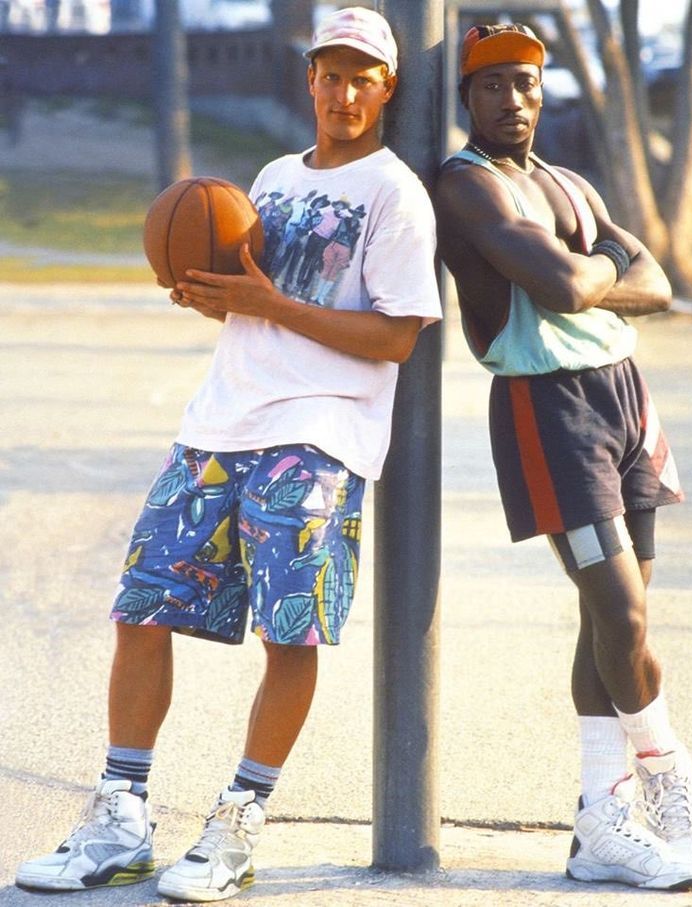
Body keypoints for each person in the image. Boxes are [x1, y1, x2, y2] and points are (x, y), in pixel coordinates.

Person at [16, 7, 441, 902]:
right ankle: (121, 816)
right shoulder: (274, 175)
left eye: (363, 76)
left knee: (288, 633)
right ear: (310, 78)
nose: (344, 90)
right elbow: (251, 302)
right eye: (331, 73)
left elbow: (397, 335)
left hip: (317, 437)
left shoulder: (397, 194)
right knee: (141, 605)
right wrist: (206, 294)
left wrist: (269, 304)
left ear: (386, 88)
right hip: (218, 424)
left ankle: (237, 824)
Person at [435, 23, 692, 891]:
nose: (512, 99)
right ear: (466, 98)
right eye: (492, 86)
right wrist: (598, 268)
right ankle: (667, 779)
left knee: (612, 622)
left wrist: (590, 271)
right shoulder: (466, 186)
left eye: (524, 82)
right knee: (622, 616)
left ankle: (598, 821)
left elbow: (659, 282)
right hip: (545, 404)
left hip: (625, 396)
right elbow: (563, 287)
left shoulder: (564, 181)